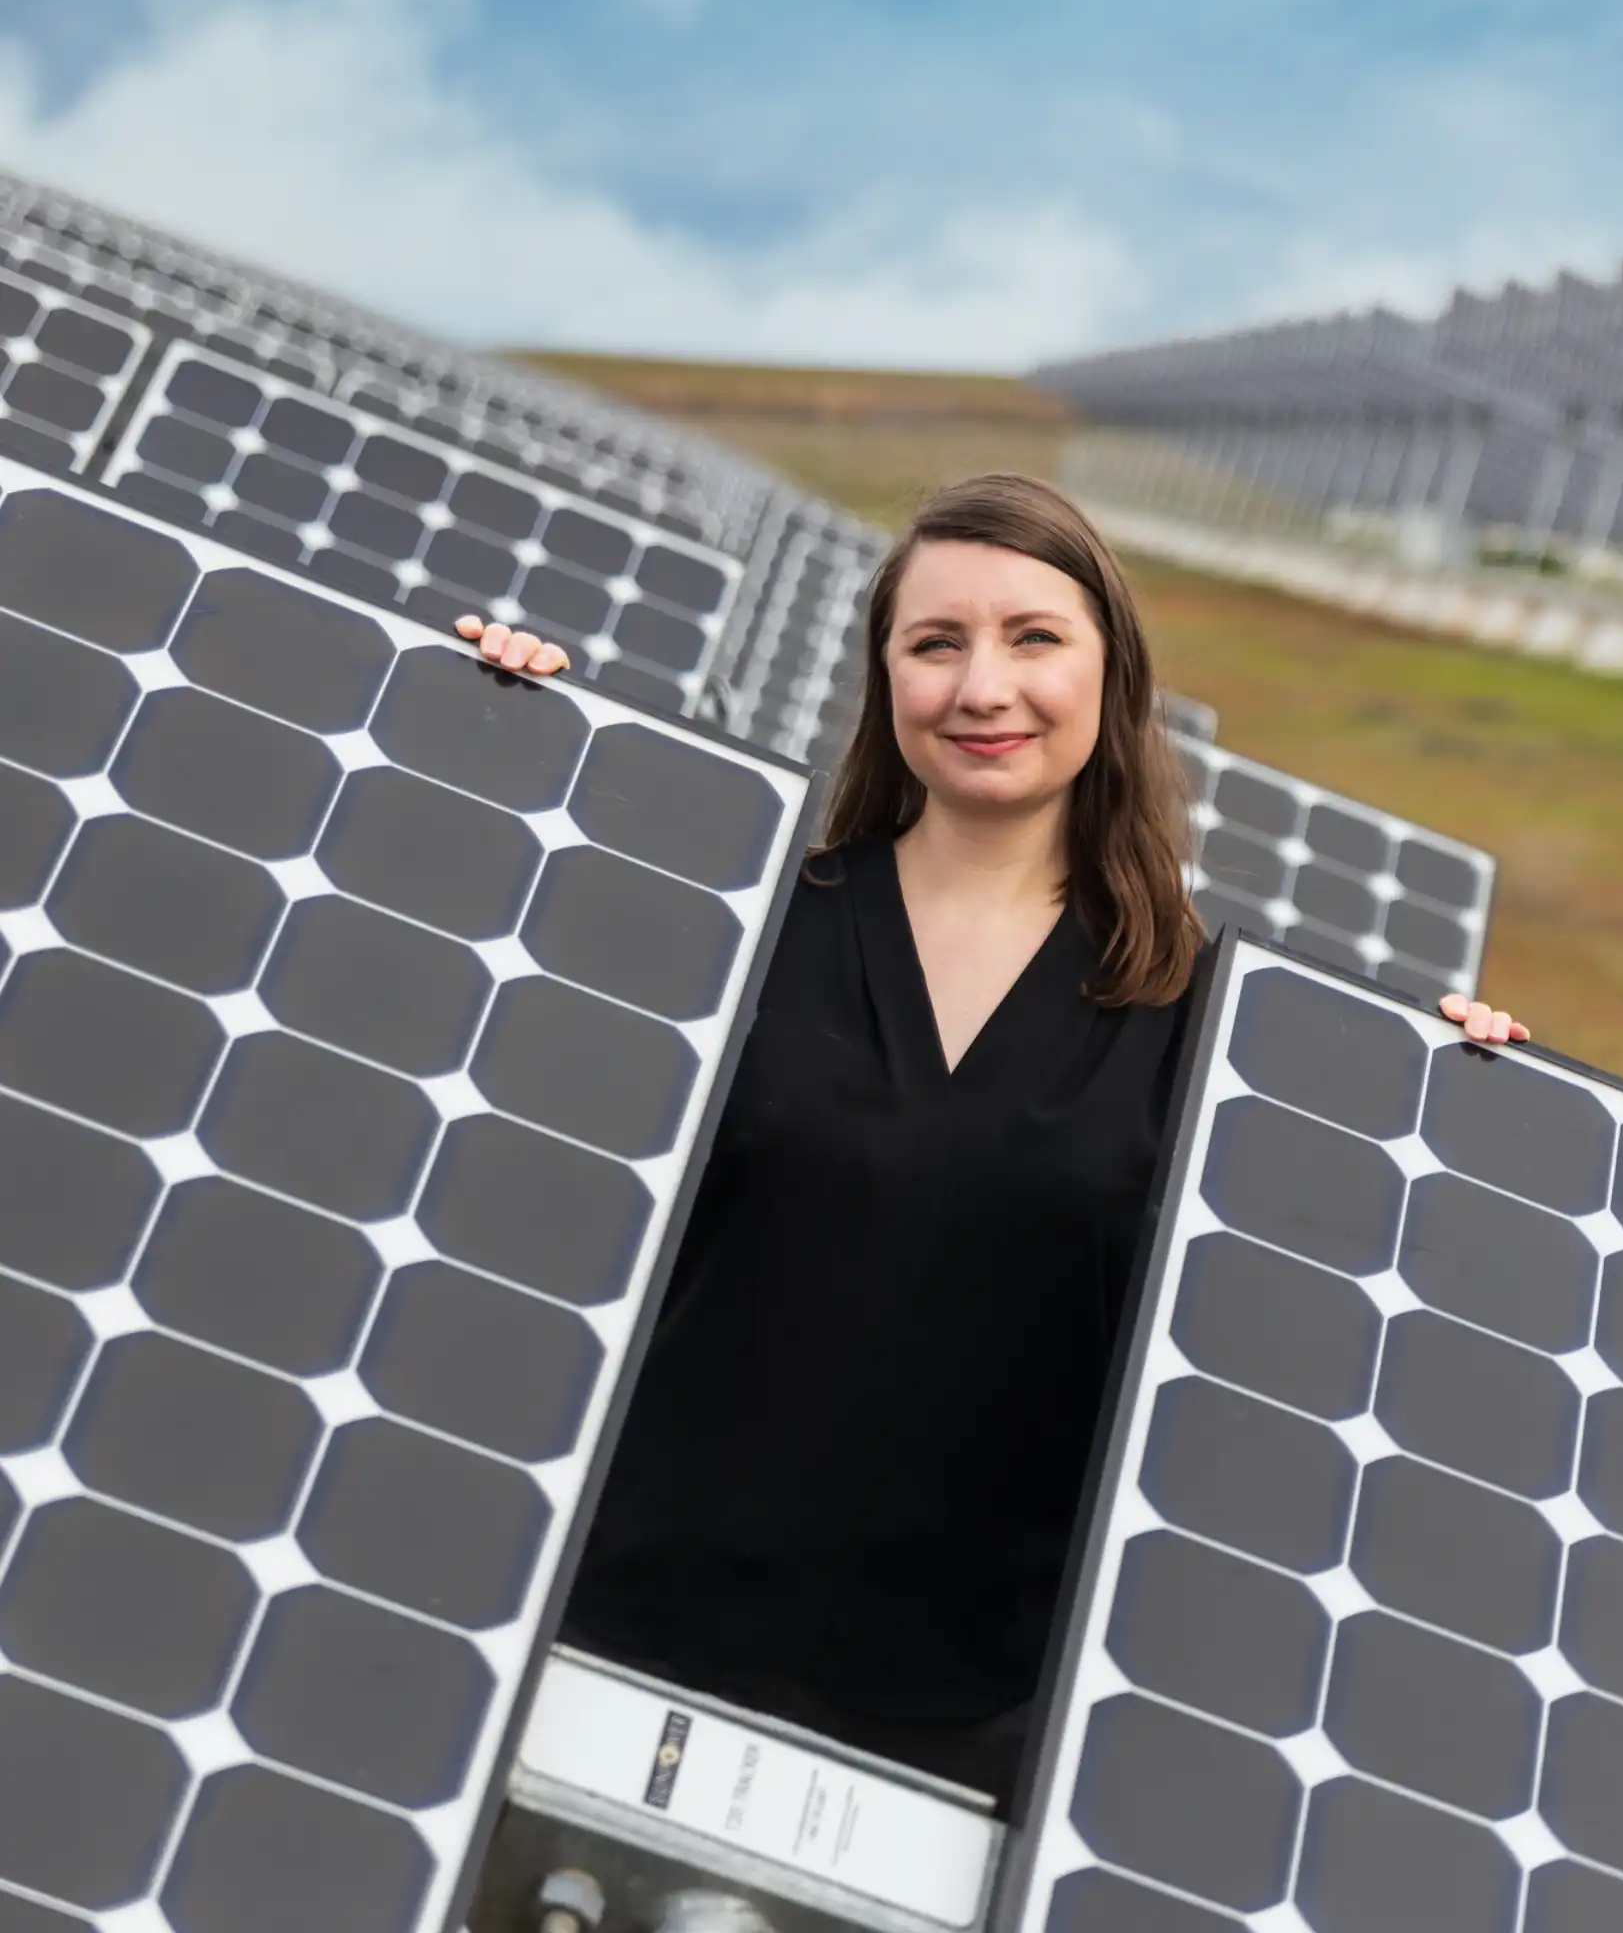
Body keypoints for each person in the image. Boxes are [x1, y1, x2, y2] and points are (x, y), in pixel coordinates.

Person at [453, 474, 1528, 1809]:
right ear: (884, 676)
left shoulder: (1220, 1022)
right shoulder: (743, 901)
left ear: (1111, 673)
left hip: (965, 1710)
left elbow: (1313, 1338)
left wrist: (1466, 1095)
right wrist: (503, 730)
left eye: (1033, 638)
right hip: (614, 1619)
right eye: (934, 643)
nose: (982, 688)